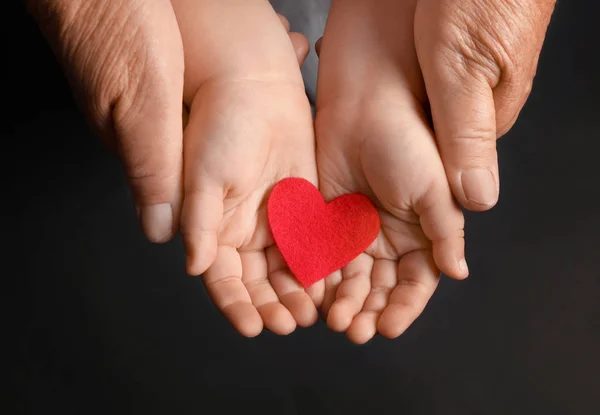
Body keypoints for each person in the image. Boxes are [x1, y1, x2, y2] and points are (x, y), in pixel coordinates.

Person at [28, 0, 556, 342]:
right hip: (168, 33)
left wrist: (387, 41)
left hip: (414, 29)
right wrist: (222, 53)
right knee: (141, 126)